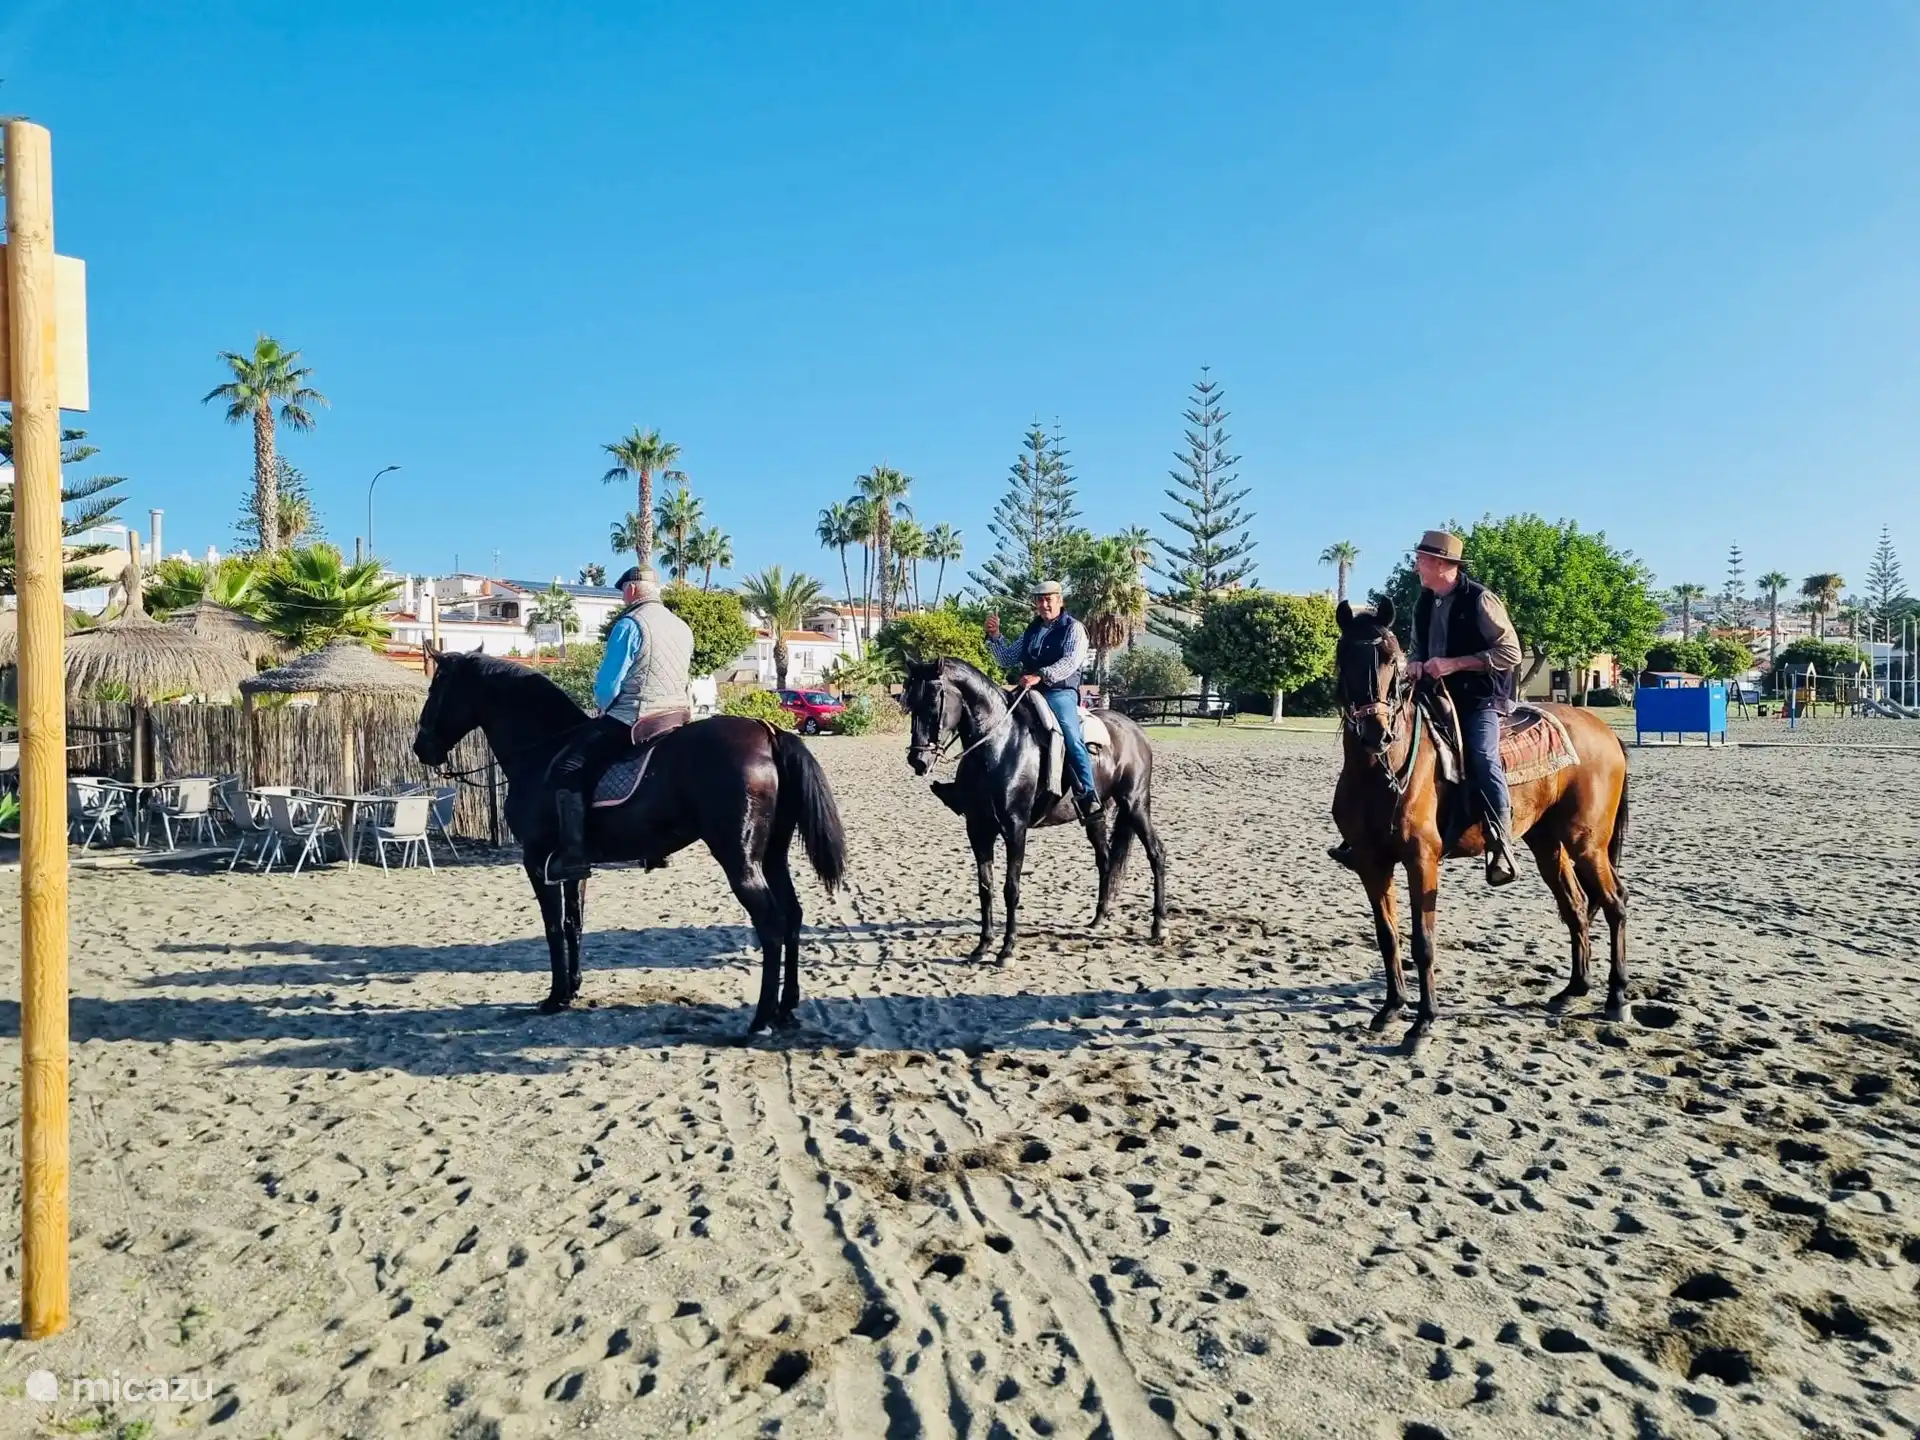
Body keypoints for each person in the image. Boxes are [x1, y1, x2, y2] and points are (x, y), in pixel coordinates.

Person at [1331, 530, 1524, 885]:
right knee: (1387, 741)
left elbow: (1510, 652)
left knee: (1482, 756)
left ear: (1441, 563)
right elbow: (1419, 648)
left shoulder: (1481, 600)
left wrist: (1454, 664)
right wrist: (1416, 663)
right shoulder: (1424, 602)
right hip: (1432, 690)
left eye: (1421, 559)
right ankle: (1362, 834)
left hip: (1480, 697)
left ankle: (1500, 840)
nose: (1416, 566)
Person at [548, 567, 695, 881]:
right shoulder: (681, 626)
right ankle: (657, 847)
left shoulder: (630, 624)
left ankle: (573, 855)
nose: (622, 598)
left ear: (631, 589)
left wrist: (602, 708)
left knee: (568, 768)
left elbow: (608, 685)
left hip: (637, 716)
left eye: (623, 592)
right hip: (676, 717)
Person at [986, 580, 1102, 820]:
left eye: (1049, 599)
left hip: (1059, 692)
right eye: (1040, 600)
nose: (1044, 604)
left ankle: (1088, 794)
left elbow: (1070, 662)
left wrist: (1040, 675)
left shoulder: (1074, 629)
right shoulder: (1033, 630)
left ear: (1060, 601)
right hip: (1027, 690)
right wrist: (995, 636)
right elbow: (1007, 659)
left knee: (1071, 735)